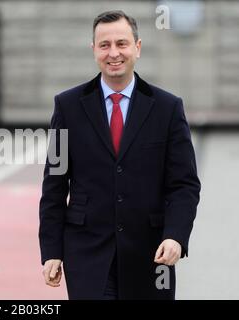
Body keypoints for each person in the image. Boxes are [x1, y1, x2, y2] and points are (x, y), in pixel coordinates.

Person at [39, 10, 201, 300]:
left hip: (151, 257)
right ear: (94, 51)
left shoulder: (168, 108)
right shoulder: (67, 107)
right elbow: (54, 185)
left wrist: (176, 235)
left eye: (122, 44)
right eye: (104, 45)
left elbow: (184, 185)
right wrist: (51, 251)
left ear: (137, 48)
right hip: (87, 256)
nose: (114, 53)